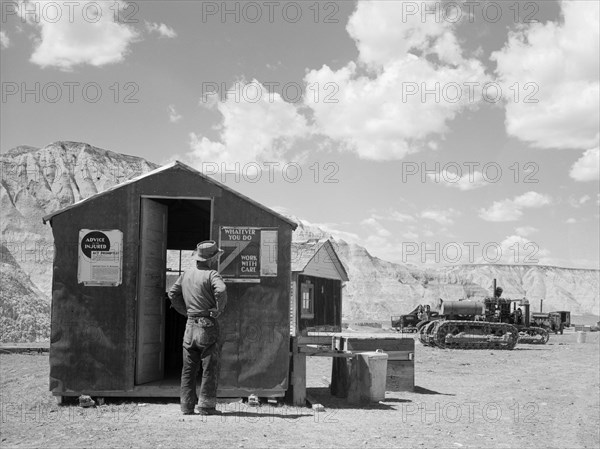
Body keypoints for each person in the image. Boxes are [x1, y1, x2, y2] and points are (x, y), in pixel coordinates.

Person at [168, 240, 227, 416]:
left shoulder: (186, 274)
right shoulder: (212, 274)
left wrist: (185, 312)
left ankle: (186, 406)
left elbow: (172, 293)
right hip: (207, 325)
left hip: (190, 326)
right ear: (211, 259)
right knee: (209, 367)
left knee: (188, 368)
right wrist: (218, 310)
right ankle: (206, 407)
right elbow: (222, 290)